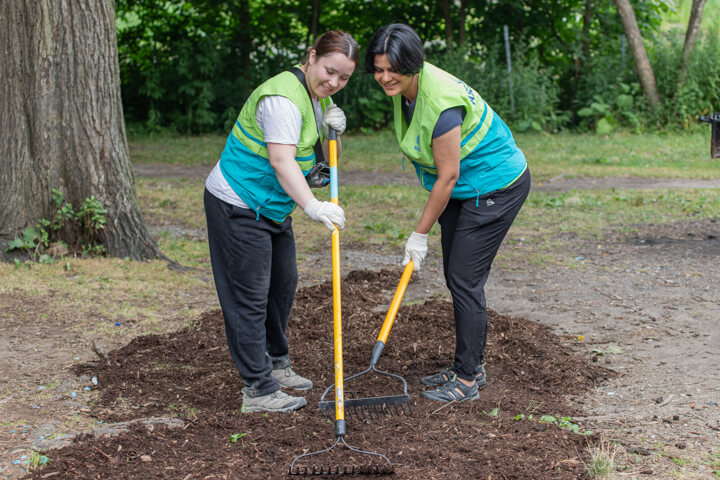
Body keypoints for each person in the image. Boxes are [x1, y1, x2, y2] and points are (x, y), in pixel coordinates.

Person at [365, 24, 531, 403]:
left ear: (414, 63)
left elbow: (448, 175)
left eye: (393, 69)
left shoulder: (440, 103)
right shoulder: (405, 89)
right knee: (458, 273)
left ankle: (468, 379)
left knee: (464, 278)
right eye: (378, 69)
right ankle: (466, 365)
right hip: (464, 187)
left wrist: (419, 233)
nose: (385, 77)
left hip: (495, 185)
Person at [204, 30, 358, 413]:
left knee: (282, 287)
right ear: (310, 57)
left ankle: (276, 361)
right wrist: (313, 207)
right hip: (239, 203)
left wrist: (330, 130)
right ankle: (257, 389)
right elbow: (282, 161)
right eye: (329, 71)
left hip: (272, 207)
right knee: (249, 297)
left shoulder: (315, 96)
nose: (334, 82)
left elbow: (311, 160)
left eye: (344, 77)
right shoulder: (281, 99)